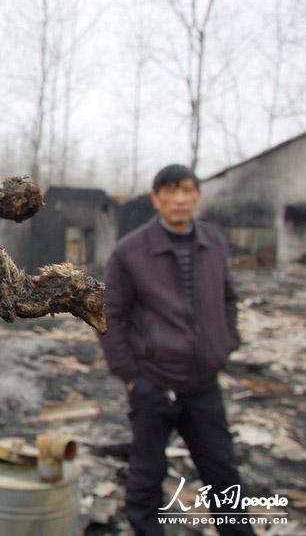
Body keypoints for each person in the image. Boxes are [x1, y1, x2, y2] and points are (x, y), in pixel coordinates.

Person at [99, 164, 252, 535]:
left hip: (203, 384)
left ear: (197, 196)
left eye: (187, 190)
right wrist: (131, 377)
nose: (179, 199)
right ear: (156, 199)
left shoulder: (213, 242)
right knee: (146, 477)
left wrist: (225, 342)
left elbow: (228, 298)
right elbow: (110, 315)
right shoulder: (130, 251)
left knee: (223, 475)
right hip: (154, 383)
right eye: (170, 191)